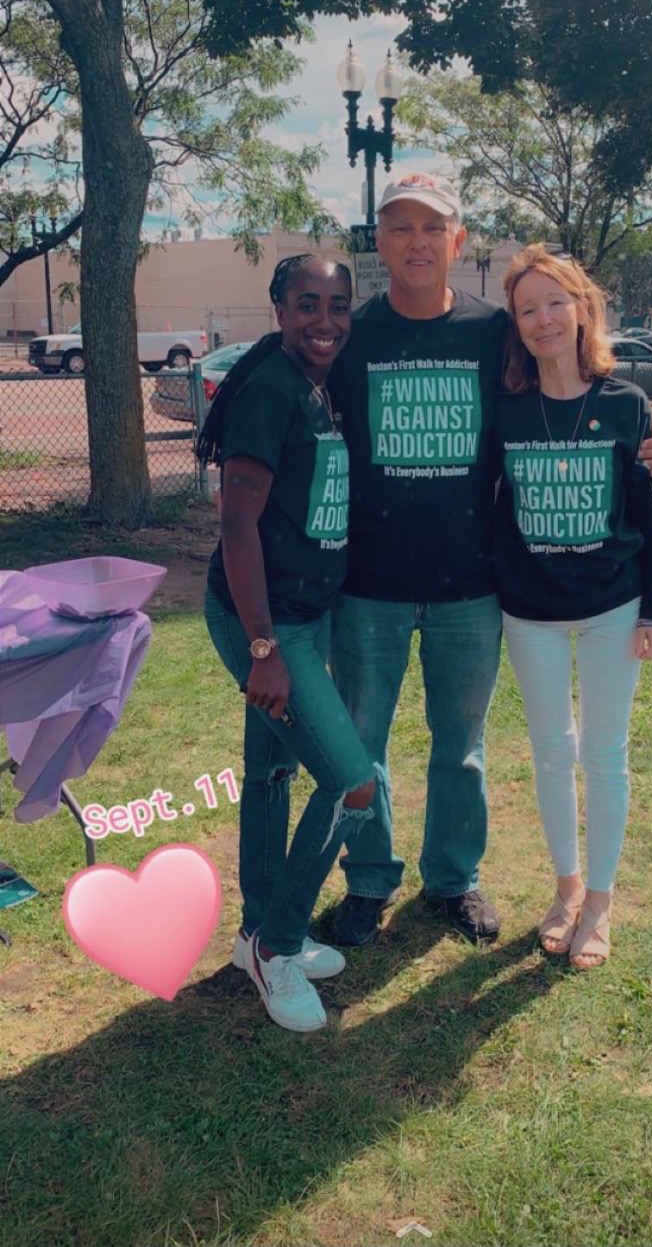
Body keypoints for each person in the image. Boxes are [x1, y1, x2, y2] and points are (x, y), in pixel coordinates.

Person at [325, 172, 652, 949]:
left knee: (462, 746)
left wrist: (642, 441)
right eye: (400, 226)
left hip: (473, 585)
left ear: (458, 240)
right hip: (368, 584)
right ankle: (370, 878)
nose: (416, 241)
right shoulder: (355, 334)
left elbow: (568, 383)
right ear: (379, 240)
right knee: (361, 742)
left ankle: (452, 879)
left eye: (431, 227)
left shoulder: (493, 332)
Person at [198, 254, 378, 1032]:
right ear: (277, 307)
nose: (325, 320)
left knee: (270, 774)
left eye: (339, 306)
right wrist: (264, 646)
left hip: (300, 614)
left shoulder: (315, 385)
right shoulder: (271, 391)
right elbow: (236, 523)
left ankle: (250, 934)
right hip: (264, 622)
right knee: (351, 784)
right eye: (308, 303)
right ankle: (279, 945)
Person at [494, 245, 652, 969]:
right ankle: (565, 888)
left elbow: (645, 512)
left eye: (554, 302)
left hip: (612, 606)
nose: (543, 319)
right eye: (527, 308)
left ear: (582, 308)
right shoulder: (503, 412)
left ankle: (600, 900)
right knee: (549, 750)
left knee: (603, 752)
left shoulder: (626, 405)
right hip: (529, 608)